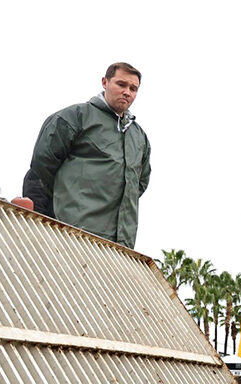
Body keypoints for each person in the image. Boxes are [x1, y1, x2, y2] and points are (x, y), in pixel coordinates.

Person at [31, 62, 152, 249]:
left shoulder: (139, 137)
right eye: (121, 84)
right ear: (105, 82)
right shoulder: (75, 117)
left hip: (120, 245)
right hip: (73, 234)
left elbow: (139, 185)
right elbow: (42, 166)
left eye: (133, 88)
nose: (127, 92)